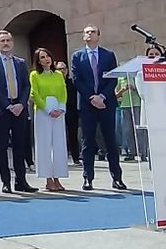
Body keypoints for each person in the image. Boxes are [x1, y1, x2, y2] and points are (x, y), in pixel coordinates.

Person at [71, 25, 125, 191]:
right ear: (83, 36)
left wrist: (102, 96)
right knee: (88, 141)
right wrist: (91, 97)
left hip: (106, 103)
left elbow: (113, 78)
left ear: (98, 36)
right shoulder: (77, 56)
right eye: (86, 32)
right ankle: (88, 178)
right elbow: (76, 79)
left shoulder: (108, 55)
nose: (89, 34)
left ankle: (117, 178)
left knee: (110, 141)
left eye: (92, 32)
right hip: (88, 105)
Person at [0, 32, 35, 194]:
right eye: (2, 41)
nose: (5, 43)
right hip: (2, 110)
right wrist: (7, 105)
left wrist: (20, 104)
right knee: (3, 147)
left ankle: (21, 181)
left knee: (20, 146)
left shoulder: (20, 63)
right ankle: (6, 182)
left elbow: (26, 85)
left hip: (19, 109)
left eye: (8, 40)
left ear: (12, 43)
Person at [29, 47, 70, 192]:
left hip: (58, 110)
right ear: (38, 61)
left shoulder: (58, 74)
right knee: (45, 144)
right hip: (43, 111)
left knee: (58, 144)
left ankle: (58, 177)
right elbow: (35, 94)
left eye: (47, 56)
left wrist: (61, 108)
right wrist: (47, 109)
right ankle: (48, 178)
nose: (46, 59)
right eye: (42, 57)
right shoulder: (35, 75)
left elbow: (63, 91)